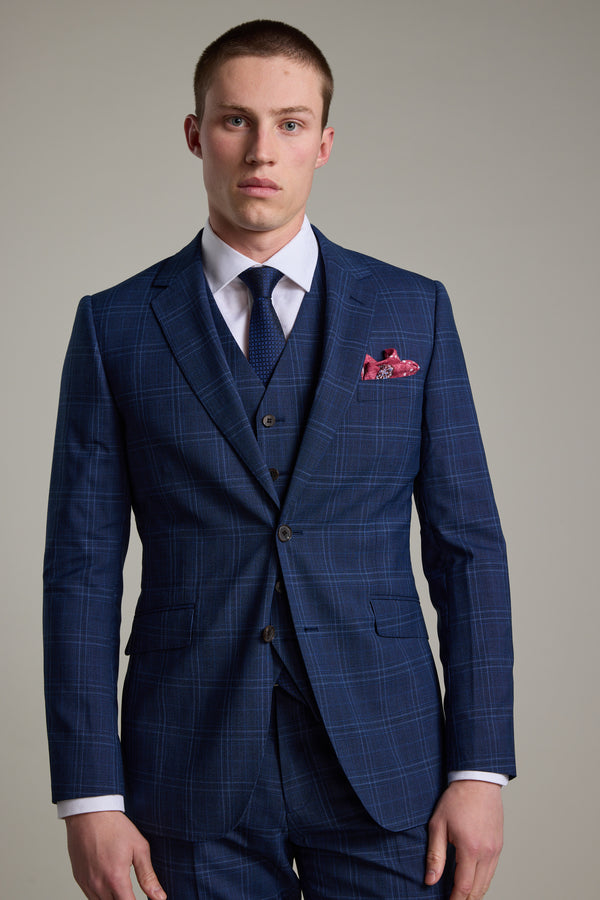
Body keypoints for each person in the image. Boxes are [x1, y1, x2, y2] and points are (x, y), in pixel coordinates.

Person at [43, 19, 515, 900]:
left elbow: (468, 550)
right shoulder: (114, 328)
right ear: (196, 133)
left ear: (324, 143)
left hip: (387, 760)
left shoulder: (414, 313)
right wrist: (88, 795)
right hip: (186, 767)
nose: (262, 150)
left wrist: (480, 770)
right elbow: (80, 571)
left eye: (291, 123)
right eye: (236, 121)